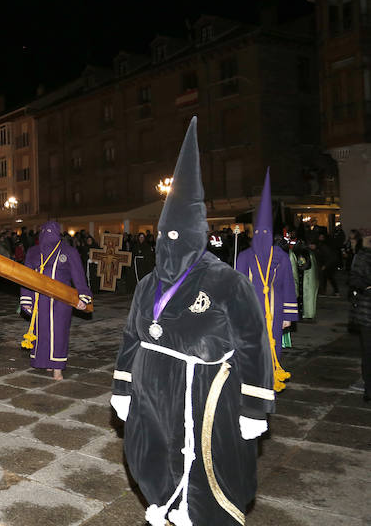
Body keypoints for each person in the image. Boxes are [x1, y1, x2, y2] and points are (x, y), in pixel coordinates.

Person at [111, 118, 274, 526]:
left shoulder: (226, 281)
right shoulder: (148, 282)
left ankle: (198, 512)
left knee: (206, 466)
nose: (169, 244)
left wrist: (254, 405)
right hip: (153, 389)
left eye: (178, 235)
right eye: (163, 234)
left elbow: (254, 342)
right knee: (154, 456)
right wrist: (122, 387)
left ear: (197, 235)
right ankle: (167, 502)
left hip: (205, 390)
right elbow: (132, 335)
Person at [235, 169, 299, 392]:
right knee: (250, 345)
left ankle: (270, 377)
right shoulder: (244, 256)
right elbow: (238, 288)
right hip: (251, 310)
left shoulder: (280, 256)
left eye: (265, 231)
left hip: (275, 308)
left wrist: (288, 317)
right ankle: (250, 378)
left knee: (272, 345)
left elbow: (288, 285)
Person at [19, 221, 92, 380]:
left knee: (59, 333)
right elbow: (26, 278)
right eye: (45, 231)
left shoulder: (68, 251)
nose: (48, 234)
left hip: (62, 302)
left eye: (51, 231)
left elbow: (78, 276)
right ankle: (46, 362)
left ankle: (57, 367)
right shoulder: (33, 252)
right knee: (43, 332)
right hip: (39, 300)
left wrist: (83, 297)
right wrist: (26, 300)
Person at [348, 229, 371, 402]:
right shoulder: (362, 257)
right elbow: (354, 279)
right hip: (367, 313)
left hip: (365, 313)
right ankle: (369, 390)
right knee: (368, 352)